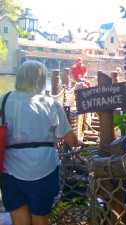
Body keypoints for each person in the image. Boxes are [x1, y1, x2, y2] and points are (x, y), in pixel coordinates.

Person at [0, 60, 84, 225]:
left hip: (10, 167)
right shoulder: (49, 103)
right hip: (44, 166)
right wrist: (79, 142)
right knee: (40, 218)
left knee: (19, 221)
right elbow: (71, 139)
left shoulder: (4, 100)